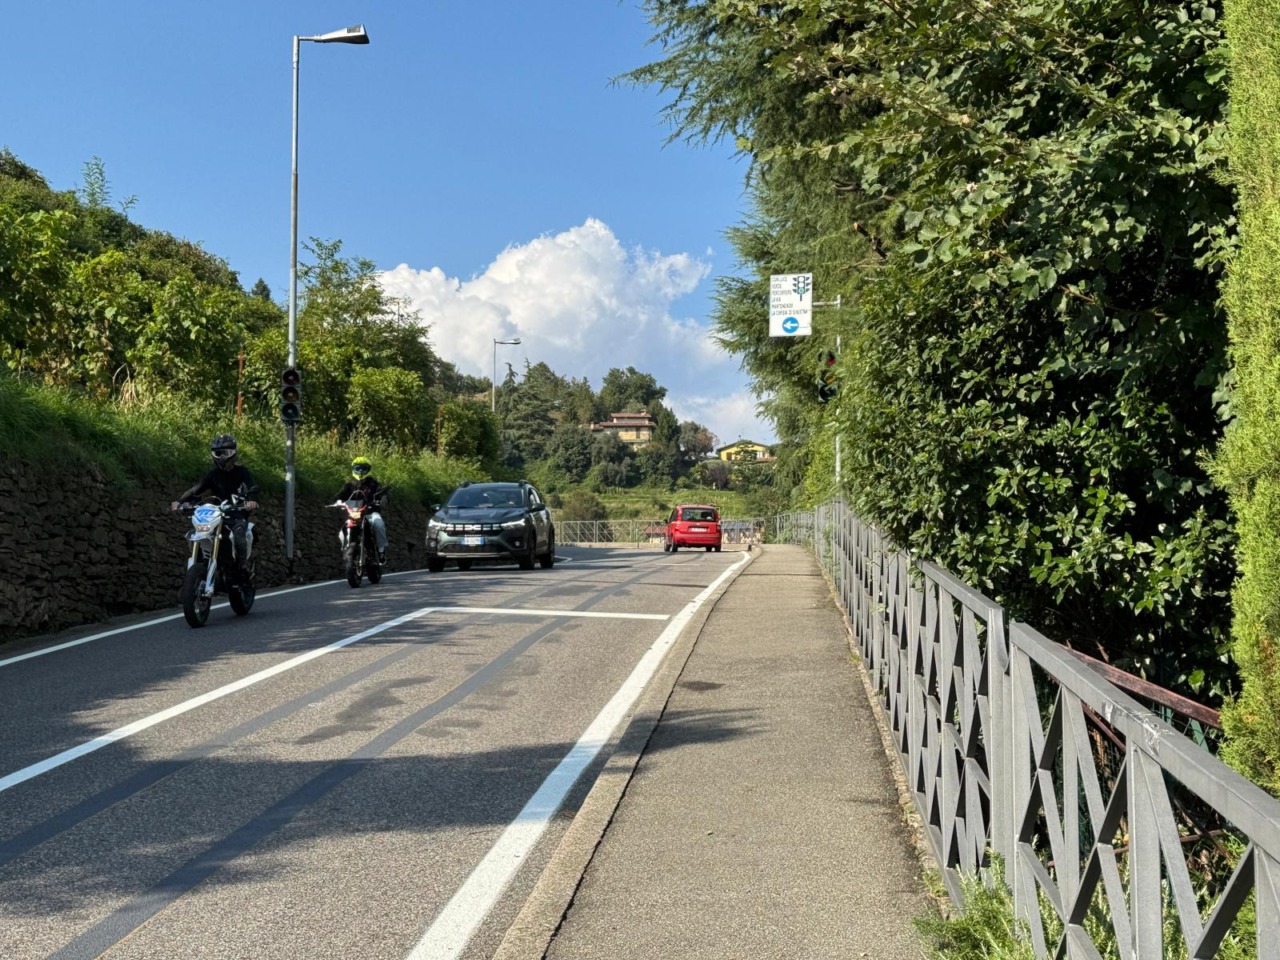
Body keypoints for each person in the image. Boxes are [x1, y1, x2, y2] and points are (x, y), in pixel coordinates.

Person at [171, 434, 259, 579]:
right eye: (219, 453)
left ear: (234, 454)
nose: (223, 457)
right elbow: (196, 489)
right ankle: (202, 564)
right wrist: (180, 502)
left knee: (239, 534)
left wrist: (251, 501)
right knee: (199, 532)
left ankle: (242, 565)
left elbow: (252, 487)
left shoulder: (242, 472)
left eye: (226, 452)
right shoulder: (213, 474)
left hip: (237, 513)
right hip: (216, 514)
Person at [333, 456, 388, 562]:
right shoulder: (350, 484)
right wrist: (338, 501)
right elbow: (340, 495)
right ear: (354, 468)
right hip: (354, 513)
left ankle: (381, 551)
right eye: (358, 468)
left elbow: (383, 494)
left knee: (379, 525)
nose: (361, 471)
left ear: (369, 469)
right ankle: (345, 548)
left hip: (370, 513)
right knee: (344, 528)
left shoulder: (373, 483)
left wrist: (382, 501)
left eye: (364, 468)